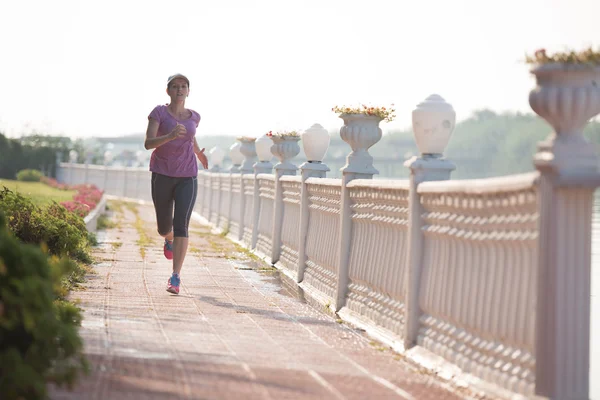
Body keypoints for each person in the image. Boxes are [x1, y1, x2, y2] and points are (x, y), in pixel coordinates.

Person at [144, 73, 208, 294]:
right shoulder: (159, 113)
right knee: (164, 227)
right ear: (168, 90)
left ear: (188, 91)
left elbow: (190, 137)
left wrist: (198, 152)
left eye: (183, 86)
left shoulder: (194, 116)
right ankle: (168, 239)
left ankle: (175, 276)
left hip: (188, 175)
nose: (180, 90)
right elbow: (148, 143)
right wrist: (169, 136)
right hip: (162, 173)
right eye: (175, 86)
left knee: (182, 224)